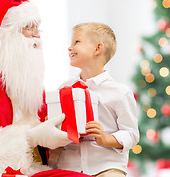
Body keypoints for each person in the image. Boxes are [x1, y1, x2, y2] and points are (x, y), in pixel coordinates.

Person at [0, 0, 91, 177]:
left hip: (40, 169)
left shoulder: (28, 78)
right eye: (29, 27)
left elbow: (47, 129)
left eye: (38, 28)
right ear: (7, 33)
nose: (37, 35)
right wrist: (29, 138)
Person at [52, 22, 139, 177]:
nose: (69, 47)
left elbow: (131, 134)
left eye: (76, 42)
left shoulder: (120, 92)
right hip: (69, 167)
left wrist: (106, 139)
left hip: (106, 167)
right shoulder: (64, 89)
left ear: (97, 48)